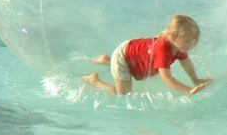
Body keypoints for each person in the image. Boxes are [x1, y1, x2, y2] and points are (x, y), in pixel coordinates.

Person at [82, 14, 212, 96]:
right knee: (122, 96)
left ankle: (107, 60)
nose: (190, 44)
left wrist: (196, 80)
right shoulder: (163, 51)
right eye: (187, 41)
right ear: (173, 37)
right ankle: (94, 80)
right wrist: (188, 91)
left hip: (131, 51)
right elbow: (167, 79)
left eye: (193, 41)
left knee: (132, 67)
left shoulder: (177, 46)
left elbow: (186, 63)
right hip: (123, 57)